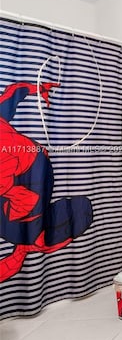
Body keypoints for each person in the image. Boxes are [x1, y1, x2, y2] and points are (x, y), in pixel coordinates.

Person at [0, 82, 93, 282]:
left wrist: (38, 88)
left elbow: (15, 92)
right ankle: (28, 244)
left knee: (80, 210)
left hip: (25, 199)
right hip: (22, 214)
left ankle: (27, 244)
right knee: (81, 210)